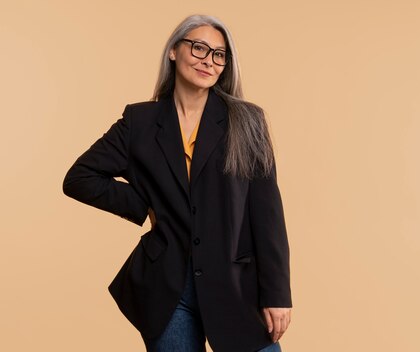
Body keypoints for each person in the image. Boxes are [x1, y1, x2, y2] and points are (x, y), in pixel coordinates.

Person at [62, 14, 292, 352]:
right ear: (174, 51)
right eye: (199, 47)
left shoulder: (247, 121)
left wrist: (277, 294)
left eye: (219, 54)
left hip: (234, 284)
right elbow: (79, 178)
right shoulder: (139, 122)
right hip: (167, 286)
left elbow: (267, 213)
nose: (208, 61)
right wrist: (144, 204)